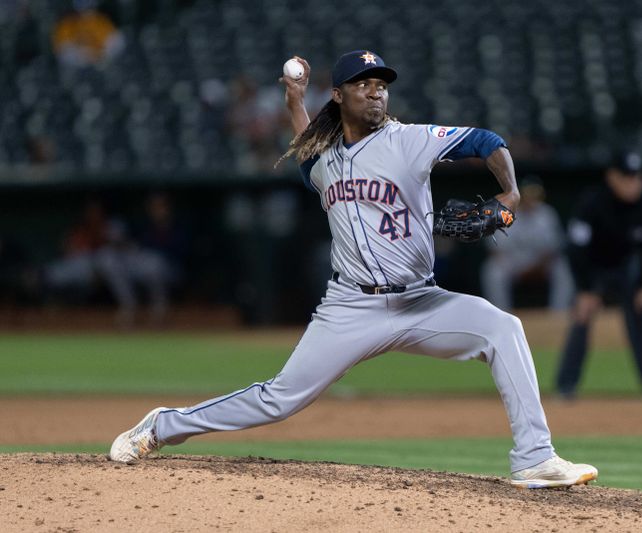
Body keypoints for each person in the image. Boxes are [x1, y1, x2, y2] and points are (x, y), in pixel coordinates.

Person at [109, 50, 597, 489]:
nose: (376, 88)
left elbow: (487, 141)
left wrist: (509, 195)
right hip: (351, 306)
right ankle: (163, 424)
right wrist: (295, 102)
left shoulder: (410, 140)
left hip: (422, 300)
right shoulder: (324, 164)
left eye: (381, 81)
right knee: (280, 399)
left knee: (502, 329)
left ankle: (534, 457)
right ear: (339, 95)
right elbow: (306, 148)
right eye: (363, 82)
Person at [556, 152, 642, 400]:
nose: (633, 183)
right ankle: (565, 387)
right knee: (582, 316)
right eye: (627, 177)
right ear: (612, 177)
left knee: (641, 312)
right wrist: (585, 290)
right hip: (593, 267)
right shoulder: (592, 203)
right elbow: (575, 249)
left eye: (638, 177)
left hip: (628, 266)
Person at [481, 176, 574, 311]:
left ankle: (558, 313)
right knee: (493, 270)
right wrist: (519, 271)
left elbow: (553, 250)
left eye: (535, 194)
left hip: (540, 263)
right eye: (528, 194)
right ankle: (500, 313)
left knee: (563, 268)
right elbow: (495, 251)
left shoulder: (546, 214)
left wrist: (536, 268)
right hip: (513, 263)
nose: (531, 199)